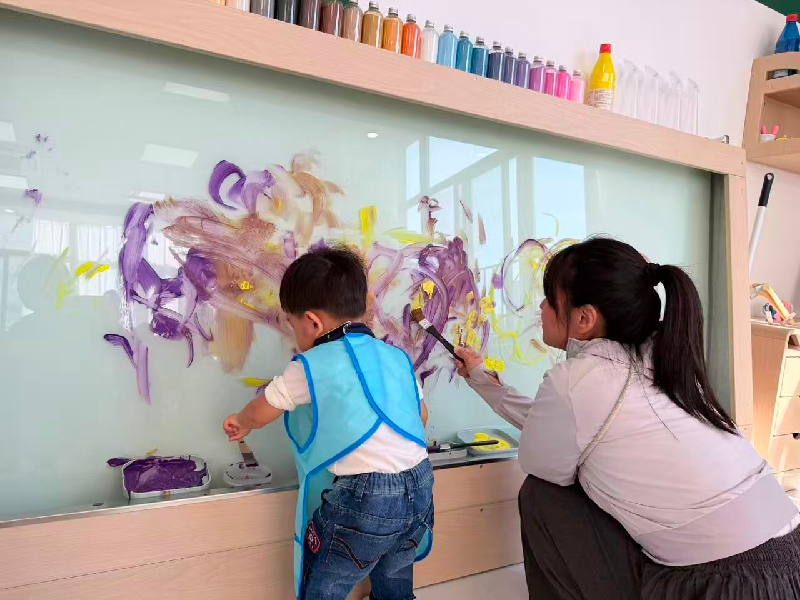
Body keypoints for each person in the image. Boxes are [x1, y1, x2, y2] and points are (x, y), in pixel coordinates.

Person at [455, 237, 800, 600]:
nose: (541, 307)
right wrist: (484, 381)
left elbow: (546, 458)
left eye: (549, 299)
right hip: (789, 561)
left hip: (723, 585)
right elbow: (563, 426)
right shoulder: (664, 355)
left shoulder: (577, 381)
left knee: (543, 495)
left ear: (584, 318)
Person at [223, 247, 433, 600]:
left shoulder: (312, 363)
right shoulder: (395, 356)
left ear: (313, 322)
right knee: (394, 577)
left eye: (293, 326)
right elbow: (421, 416)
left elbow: (263, 410)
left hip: (366, 498)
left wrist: (241, 421)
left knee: (328, 581)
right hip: (420, 486)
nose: (295, 336)